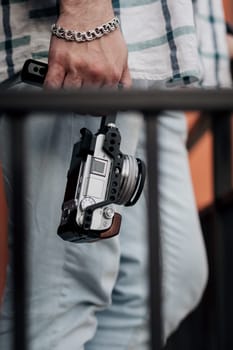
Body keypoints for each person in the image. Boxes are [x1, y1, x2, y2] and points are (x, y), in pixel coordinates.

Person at [0, 0, 230, 349]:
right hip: (83, 49)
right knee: (61, 303)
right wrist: (85, 12)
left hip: (151, 54)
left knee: (162, 283)